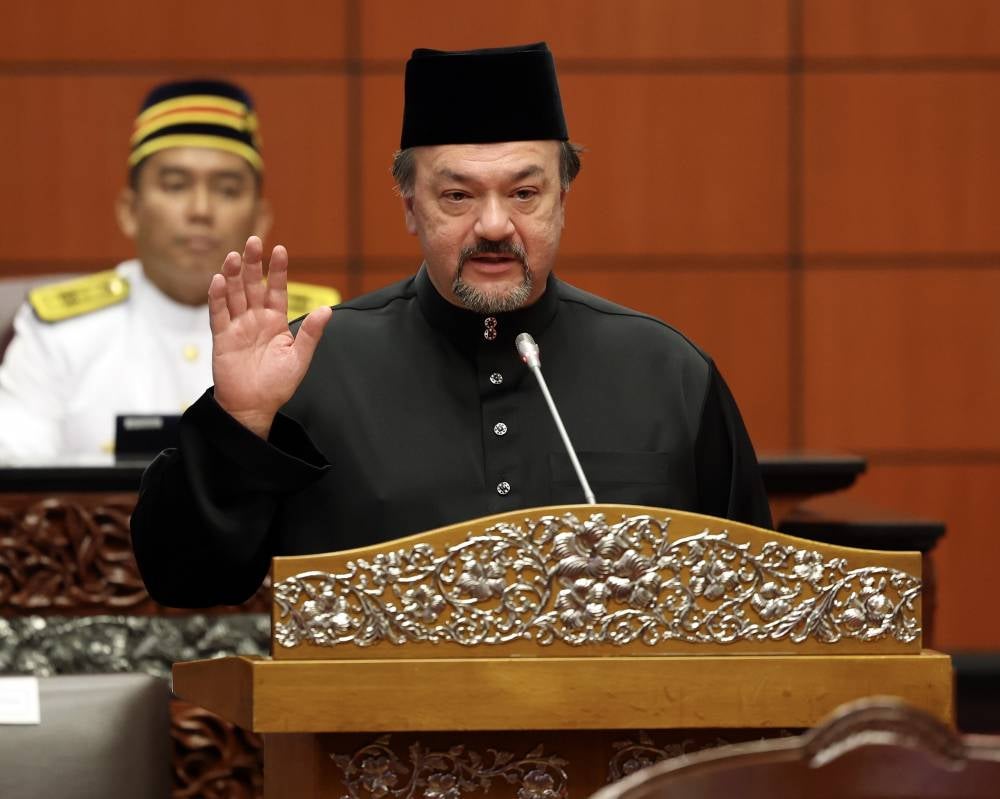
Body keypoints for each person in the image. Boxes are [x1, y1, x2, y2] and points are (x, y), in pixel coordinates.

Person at [131, 43, 771, 608]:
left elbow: (753, 599)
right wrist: (241, 424)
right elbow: (186, 581)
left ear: (563, 199)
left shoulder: (668, 373)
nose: (494, 226)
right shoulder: (307, 366)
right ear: (411, 206)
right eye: (457, 196)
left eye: (524, 194)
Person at [0, 79, 337, 460]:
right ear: (129, 210)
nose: (200, 210)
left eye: (226, 190)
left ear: (260, 217)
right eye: (175, 186)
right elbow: (14, 472)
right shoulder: (60, 331)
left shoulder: (314, 329)